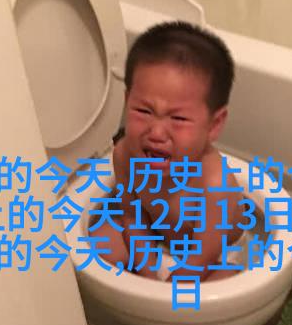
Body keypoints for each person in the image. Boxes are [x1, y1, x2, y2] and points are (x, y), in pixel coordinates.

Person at [93, 21, 247, 282]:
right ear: (127, 100)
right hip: (157, 235)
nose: (156, 132)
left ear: (214, 125)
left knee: (227, 281)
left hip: (213, 255)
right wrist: (148, 274)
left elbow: (202, 259)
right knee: (100, 243)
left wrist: (165, 292)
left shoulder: (214, 184)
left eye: (178, 119)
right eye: (143, 111)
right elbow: (133, 218)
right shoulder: (124, 156)